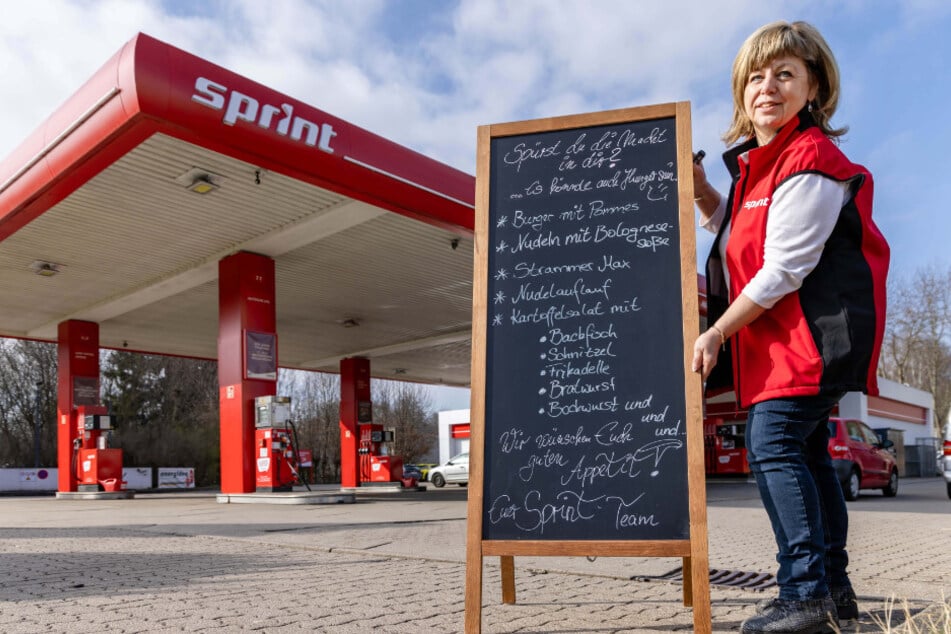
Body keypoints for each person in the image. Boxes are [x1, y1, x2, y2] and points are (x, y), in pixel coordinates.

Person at [690, 20, 889, 634]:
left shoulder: (809, 161)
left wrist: (716, 329)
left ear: (813, 87)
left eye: (784, 74)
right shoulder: (760, 167)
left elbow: (785, 267)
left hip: (808, 343)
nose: (767, 87)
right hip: (779, 350)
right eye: (755, 76)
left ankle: (803, 596)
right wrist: (701, 194)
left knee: (772, 445)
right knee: (807, 455)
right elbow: (741, 233)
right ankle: (834, 594)